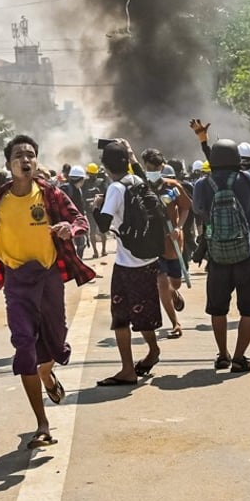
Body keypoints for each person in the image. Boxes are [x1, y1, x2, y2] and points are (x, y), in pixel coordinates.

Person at [0, 135, 94, 448]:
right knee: (24, 347)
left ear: (36, 162)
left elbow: (79, 219)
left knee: (55, 345)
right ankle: (42, 424)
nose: (25, 159)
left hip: (49, 278)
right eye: (18, 155)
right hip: (16, 282)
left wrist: (72, 229)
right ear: (9, 164)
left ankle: (48, 376)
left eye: (30, 155)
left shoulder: (50, 194)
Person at [94, 140, 164, 385]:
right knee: (143, 313)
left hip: (127, 263)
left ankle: (127, 369)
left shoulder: (115, 188)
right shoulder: (137, 180)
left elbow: (103, 225)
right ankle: (153, 351)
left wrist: (96, 207)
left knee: (121, 316)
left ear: (105, 166)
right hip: (148, 258)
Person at [192, 138, 250, 373]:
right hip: (247, 254)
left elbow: (198, 209)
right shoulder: (244, 178)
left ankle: (222, 355)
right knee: (249, 309)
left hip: (217, 256)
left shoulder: (203, 184)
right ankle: (239, 358)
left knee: (218, 308)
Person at [140, 148, 192, 339]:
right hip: (152, 245)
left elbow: (186, 208)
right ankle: (175, 322)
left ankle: (174, 293)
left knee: (174, 284)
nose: (151, 170)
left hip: (173, 243)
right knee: (161, 282)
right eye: (148, 167)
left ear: (161, 167)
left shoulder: (173, 186)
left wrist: (179, 227)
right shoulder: (141, 187)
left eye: (154, 167)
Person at [59, 165, 89, 259]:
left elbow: (80, 207)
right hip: (68, 223)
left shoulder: (77, 190)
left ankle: (78, 261)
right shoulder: (65, 189)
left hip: (77, 222)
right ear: (81, 179)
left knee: (81, 244)